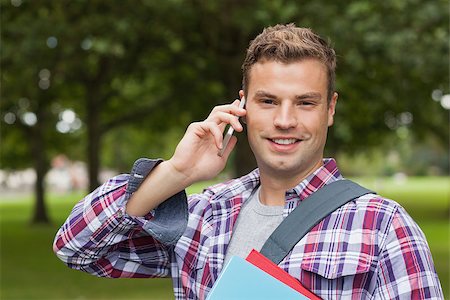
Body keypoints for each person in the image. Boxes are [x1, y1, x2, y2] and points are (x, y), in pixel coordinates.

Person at [53, 24, 443, 299]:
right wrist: (177, 172)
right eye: (268, 101)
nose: (285, 120)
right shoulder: (203, 215)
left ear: (330, 109)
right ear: (243, 106)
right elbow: (78, 248)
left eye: (305, 102)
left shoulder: (385, 227)